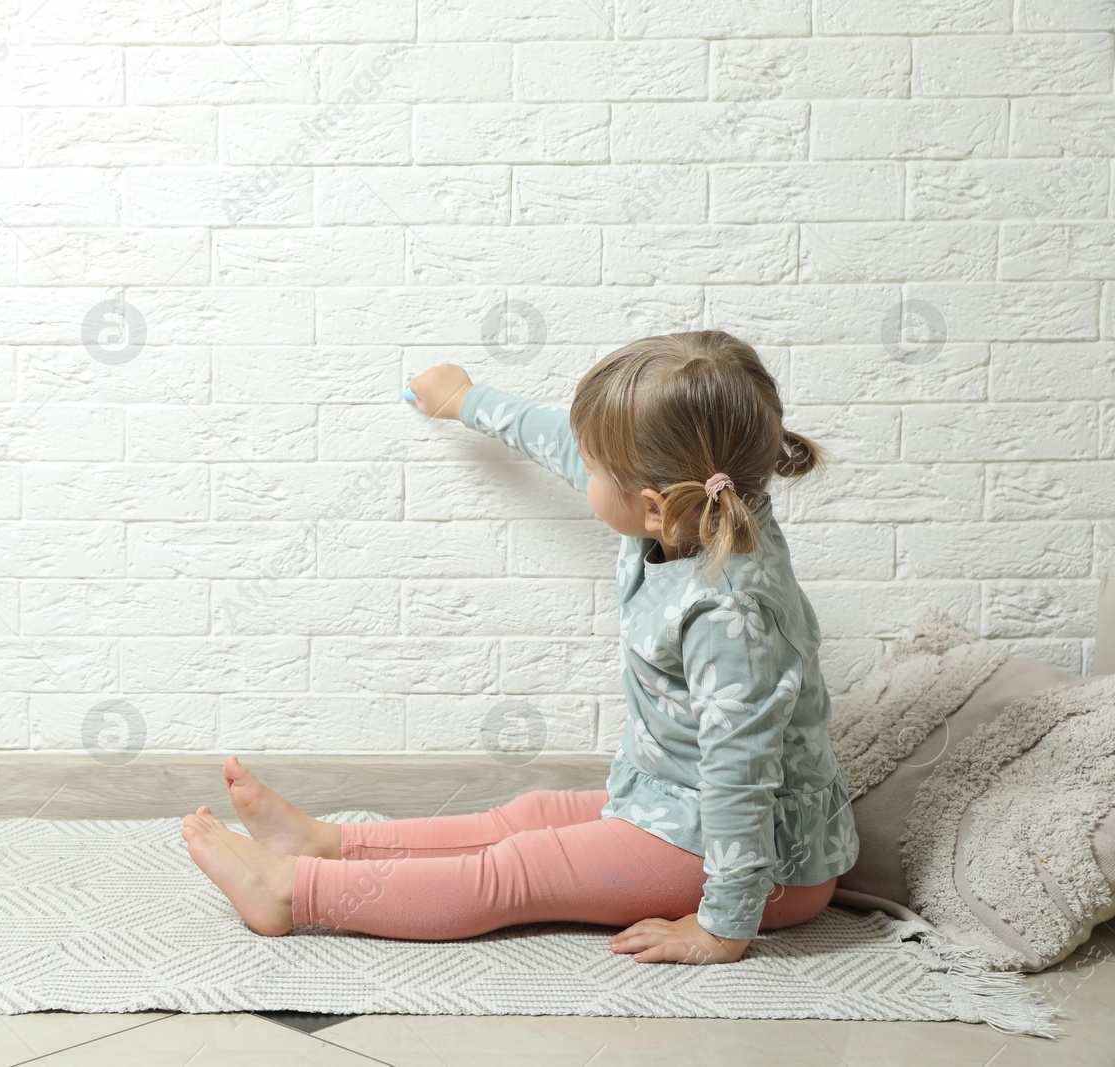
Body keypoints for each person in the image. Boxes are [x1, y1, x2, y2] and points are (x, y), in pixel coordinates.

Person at [181, 329, 860, 965]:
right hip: (671, 802)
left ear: (654, 505)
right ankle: (324, 844)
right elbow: (562, 442)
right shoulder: (696, 507)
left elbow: (740, 777)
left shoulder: (731, 615)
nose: (580, 467)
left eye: (596, 468)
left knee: (517, 872)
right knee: (527, 816)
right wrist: (467, 401)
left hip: (757, 863)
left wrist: (724, 925)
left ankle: (294, 894)